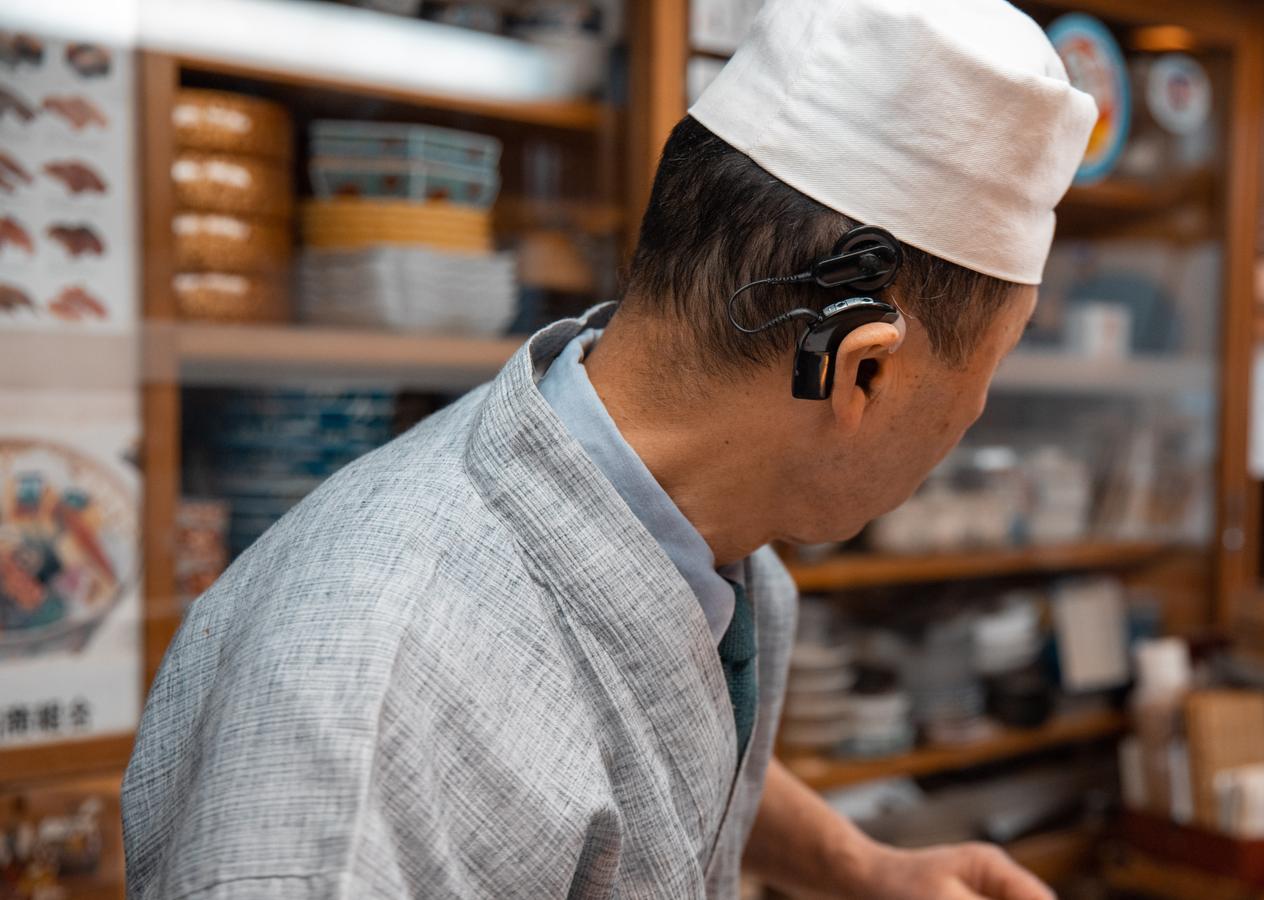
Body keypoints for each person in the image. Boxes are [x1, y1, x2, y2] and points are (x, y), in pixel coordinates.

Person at [120, 0, 1096, 896]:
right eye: (992, 367)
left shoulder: (700, 526)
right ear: (860, 372)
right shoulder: (364, 726)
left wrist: (862, 867)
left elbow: (638, 740)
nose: (974, 416)